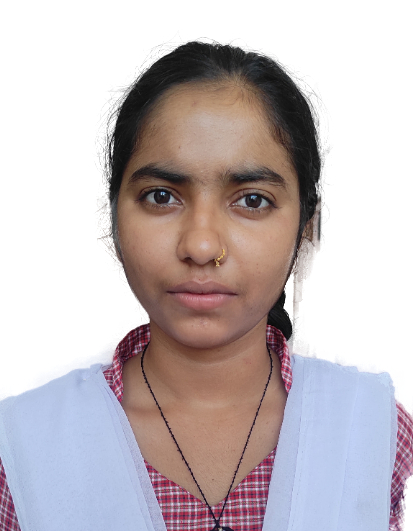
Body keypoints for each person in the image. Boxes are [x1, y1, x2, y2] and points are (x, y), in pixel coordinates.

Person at [0, 41, 412, 531]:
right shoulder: (22, 446)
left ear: (307, 225)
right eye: (161, 196)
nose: (200, 245)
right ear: (113, 216)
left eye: (252, 200)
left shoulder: (371, 427)